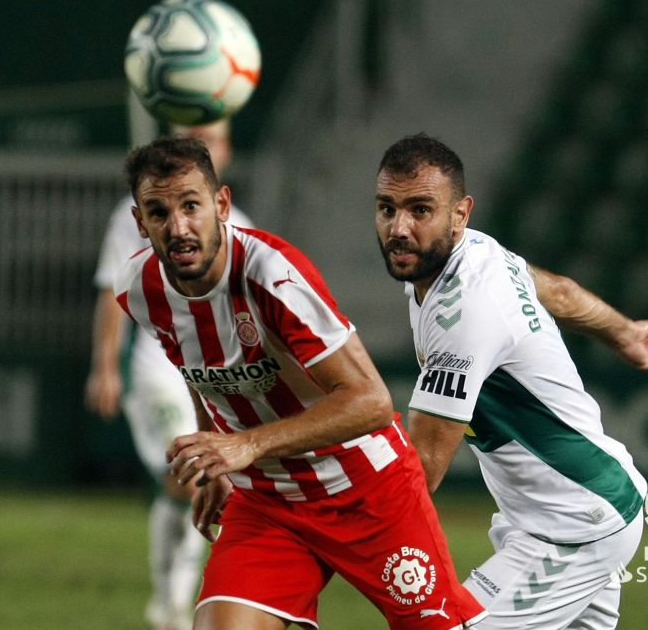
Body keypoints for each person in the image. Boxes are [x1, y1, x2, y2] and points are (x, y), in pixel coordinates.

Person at [113, 136, 488, 630]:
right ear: (141, 223)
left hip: (365, 490)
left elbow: (372, 402)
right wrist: (215, 459)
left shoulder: (271, 275)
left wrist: (244, 445)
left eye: (191, 206)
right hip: (268, 501)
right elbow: (196, 367)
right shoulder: (140, 289)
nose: (178, 228)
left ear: (221, 204)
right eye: (159, 213)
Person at [373, 133, 648, 630]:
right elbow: (559, 292)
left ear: (460, 214)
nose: (399, 228)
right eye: (387, 208)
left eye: (419, 210)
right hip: (573, 510)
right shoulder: (477, 253)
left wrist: (316, 518)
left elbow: (422, 470)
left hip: (574, 526)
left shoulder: (464, 314)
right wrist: (623, 331)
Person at [84, 119, 252, 630]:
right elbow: (114, 289)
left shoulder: (242, 225)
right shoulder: (134, 214)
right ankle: (172, 604)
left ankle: (179, 603)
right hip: (156, 368)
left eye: (213, 135)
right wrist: (105, 366)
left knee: (207, 483)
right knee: (189, 476)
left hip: (217, 379)